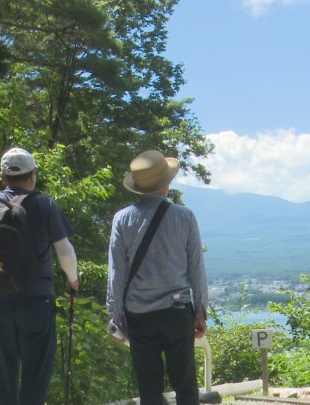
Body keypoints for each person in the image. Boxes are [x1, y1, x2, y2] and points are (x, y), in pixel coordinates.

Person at [0, 147, 80, 405]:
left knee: (3, 375)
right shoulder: (44, 204)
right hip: (37, 302)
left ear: (3, 178)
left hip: (0, 303)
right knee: (36, 375)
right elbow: (64, 251)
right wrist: (73, 279)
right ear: (32, 176)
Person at [107, 150, 209, 405]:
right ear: (166, 183)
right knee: (185, 384)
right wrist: (200, 311)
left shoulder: (122, 219)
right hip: (177, 311)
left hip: (139, 315)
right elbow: (196, 267)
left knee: (149, 387)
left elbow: (116, 272)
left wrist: (115, 316)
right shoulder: (184, 216)